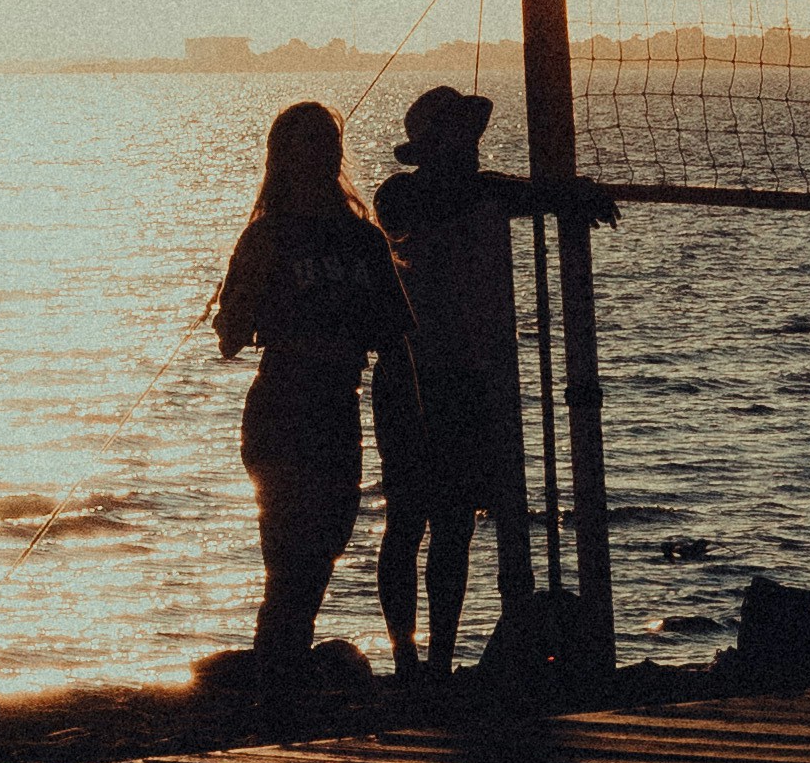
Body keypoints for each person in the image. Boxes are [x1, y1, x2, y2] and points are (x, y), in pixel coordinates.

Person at [367, 86, 614, 685]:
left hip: (465, 379)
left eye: (473, 138)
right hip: (410, 374)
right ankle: (405, 659)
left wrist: (569, 193)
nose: (472, 149)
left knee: (453, 522)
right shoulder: (399, 195)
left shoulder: (481, 191)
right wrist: (532, 191)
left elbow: (514, 192)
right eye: (459, 137)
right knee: (407, 519)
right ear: (431, 147)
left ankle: (439, 660)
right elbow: (445, 198)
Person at [212, 102, 421, 724]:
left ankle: (278, 676)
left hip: (334, 408)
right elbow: (232, 339)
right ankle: (277, 687)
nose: (328, 152)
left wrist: (409, 418)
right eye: (317, 142)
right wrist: (231, 308)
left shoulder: (359, 238)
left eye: (331, 140)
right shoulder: (268, 235)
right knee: (289, 552)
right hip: (284, 406)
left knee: (321, 546)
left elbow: (395, 339)